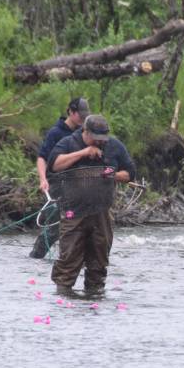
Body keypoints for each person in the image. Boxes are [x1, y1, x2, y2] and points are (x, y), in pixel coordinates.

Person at [47, 114, 136, 296]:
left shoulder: (115, 146)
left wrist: (113, 175)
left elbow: (130, 173)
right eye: (95, 139)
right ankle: (63, 297)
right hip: (73, 211)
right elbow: (54, 165)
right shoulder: (68, 143)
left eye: (102, 139)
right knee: (68, 259)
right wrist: (83, 152)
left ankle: (94, 296)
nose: (99, 142)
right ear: (84, 132)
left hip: (101, 212)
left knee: (99, 261)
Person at [29, 97, 90, 258]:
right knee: (55, 226)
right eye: (80, 115)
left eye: (85, 116)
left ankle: (75, 258)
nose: (83, 119)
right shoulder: (56, 133)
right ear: (70, 112)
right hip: (57, 184)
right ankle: (36, 257)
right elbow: (42, 157)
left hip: (78, 186)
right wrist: (43, 179)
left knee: (81, 223)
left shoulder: (83, 133)